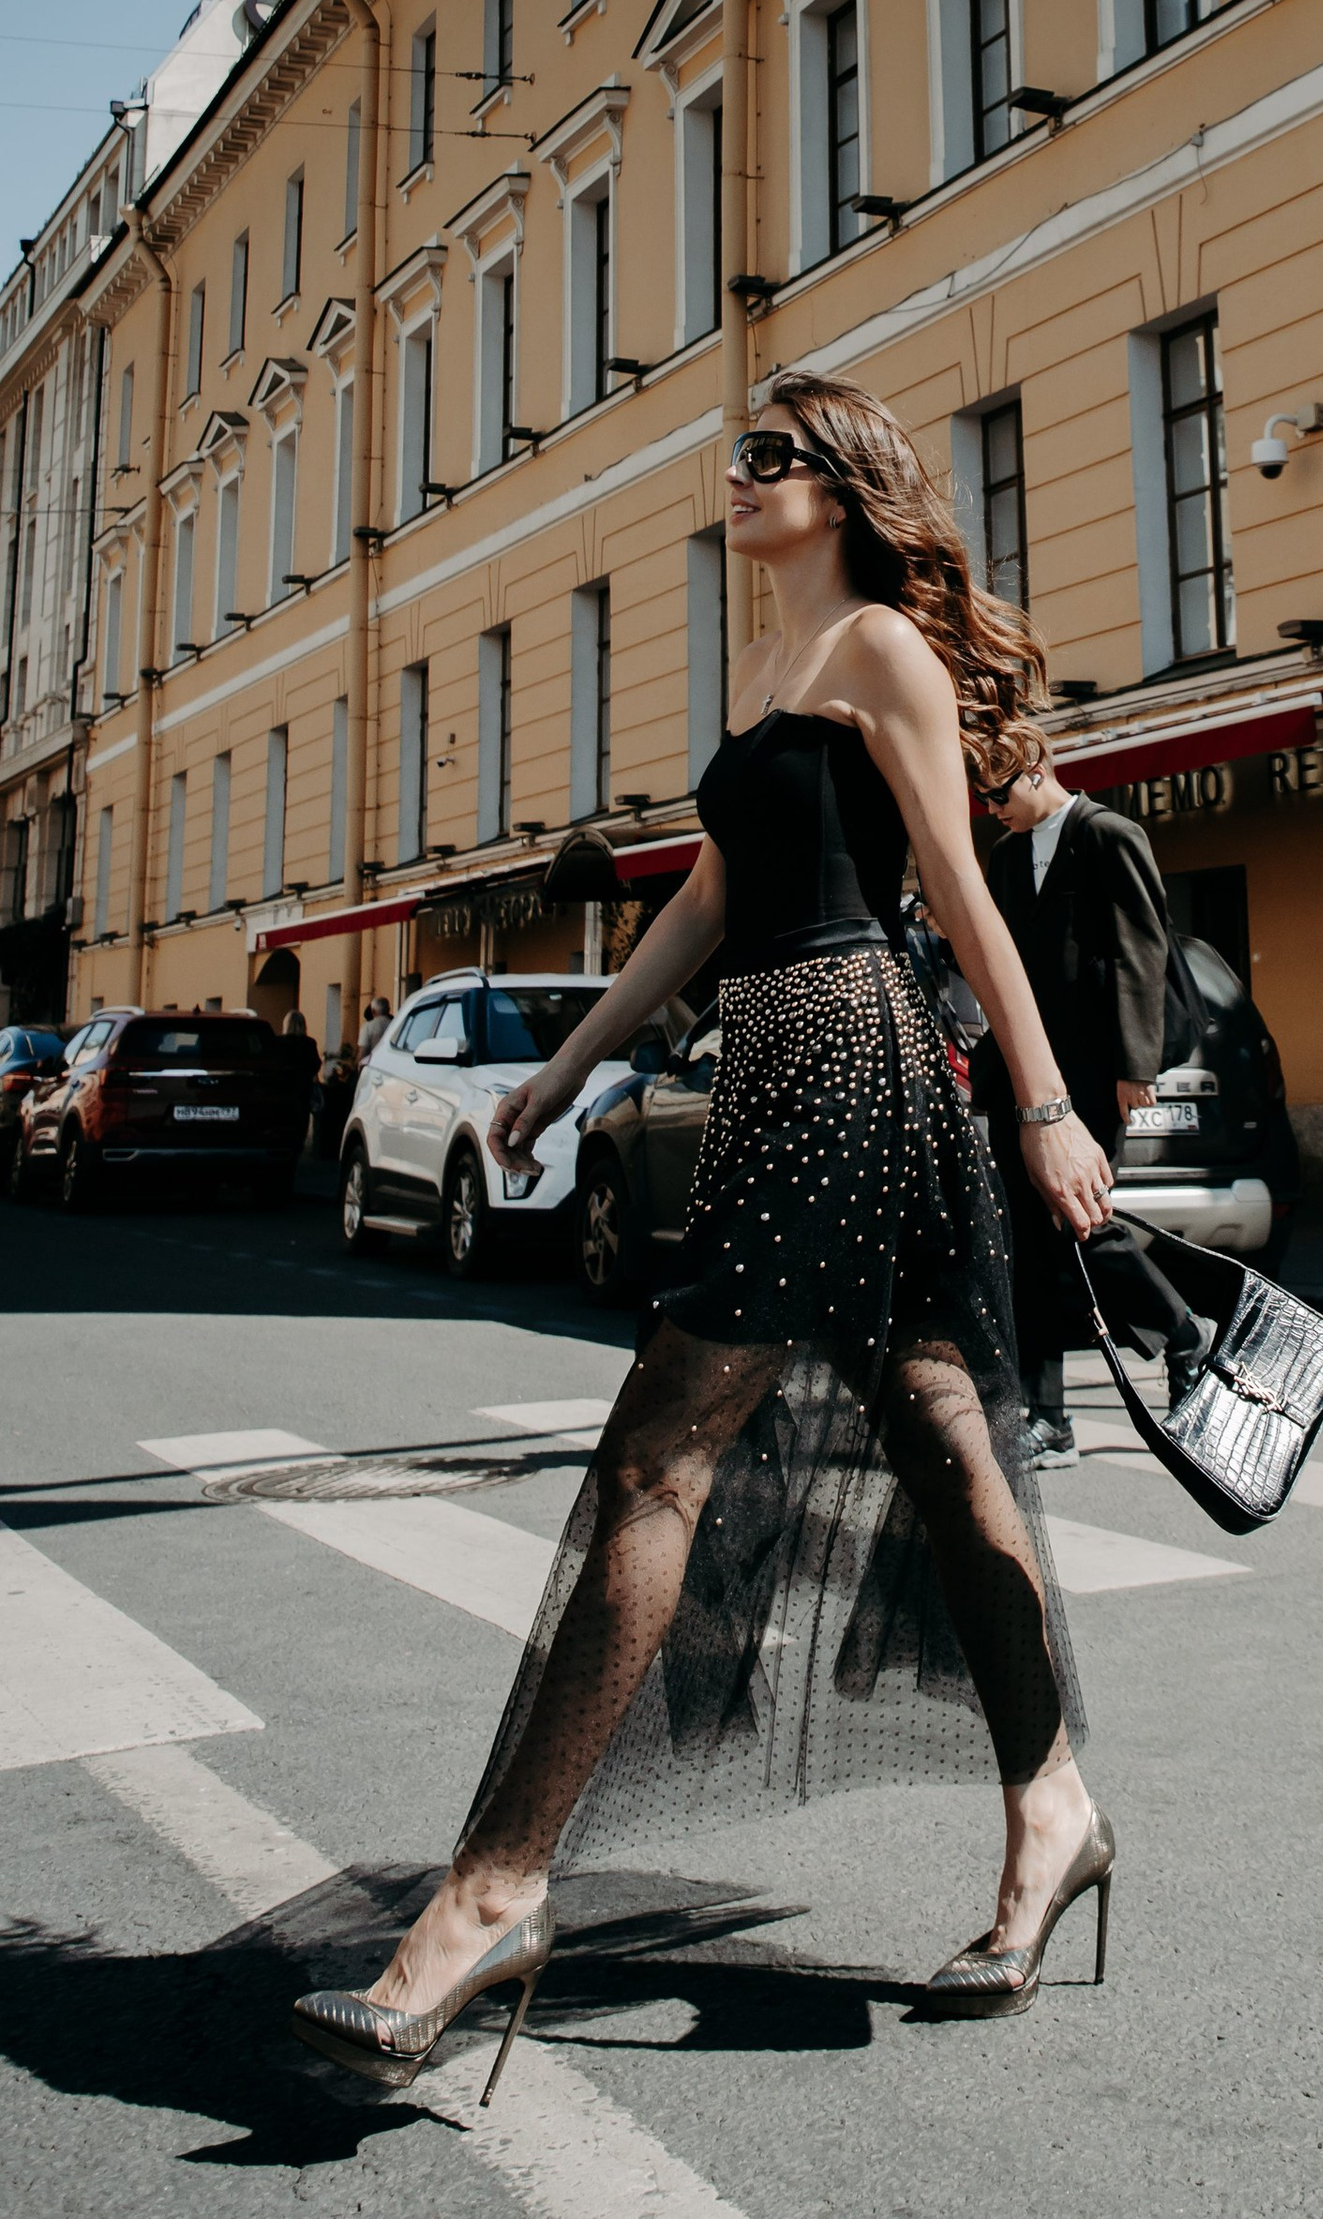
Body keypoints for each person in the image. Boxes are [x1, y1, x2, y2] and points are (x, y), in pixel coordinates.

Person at [288, 374, 1122, 2095]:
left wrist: (1044, 1109)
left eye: (768, 457)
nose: (733, 478)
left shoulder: (883, 647)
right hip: (786, 1067)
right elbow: (714, 896)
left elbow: (959, 901)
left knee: (659, 1460)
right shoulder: (768, 668)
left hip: (850, 1062)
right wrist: (571, 1069)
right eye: (733, 455)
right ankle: (1057, 1809)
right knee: (950, 1454)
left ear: (845, 490)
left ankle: (494, 1890)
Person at [982, 753, 1210, 1464]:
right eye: (982, 798)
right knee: (1027, 1237)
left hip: (1089, 1067)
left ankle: (1185, 1336)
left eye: (998, 792)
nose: (991, 809)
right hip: (1022, 1069)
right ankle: (1046, 1416)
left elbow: (1142, 948)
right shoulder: (1006, 854)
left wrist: (1135, 1063)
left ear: (1037, 767)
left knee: (1076, 1219)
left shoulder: (1108, 834)